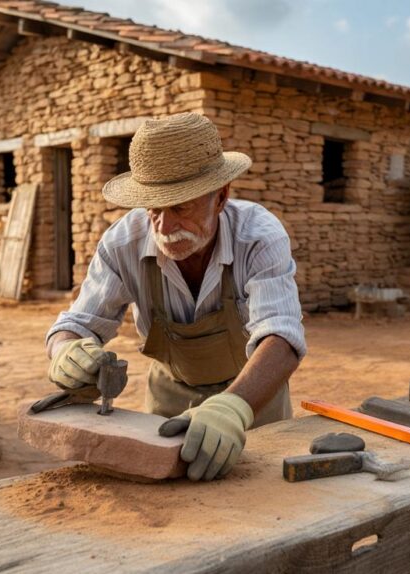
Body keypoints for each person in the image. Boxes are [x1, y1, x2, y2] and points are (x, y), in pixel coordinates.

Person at [45, 112, 306, 481]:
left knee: (261, 495)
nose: (164, 227)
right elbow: (77, 324)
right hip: (168, 399)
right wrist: (65, 350)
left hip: (253, 399)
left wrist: (233, 408)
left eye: (180, 207)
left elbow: (281, 336)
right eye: (153, 209)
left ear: (221, 197)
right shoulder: (122, 244)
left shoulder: (258, 237)